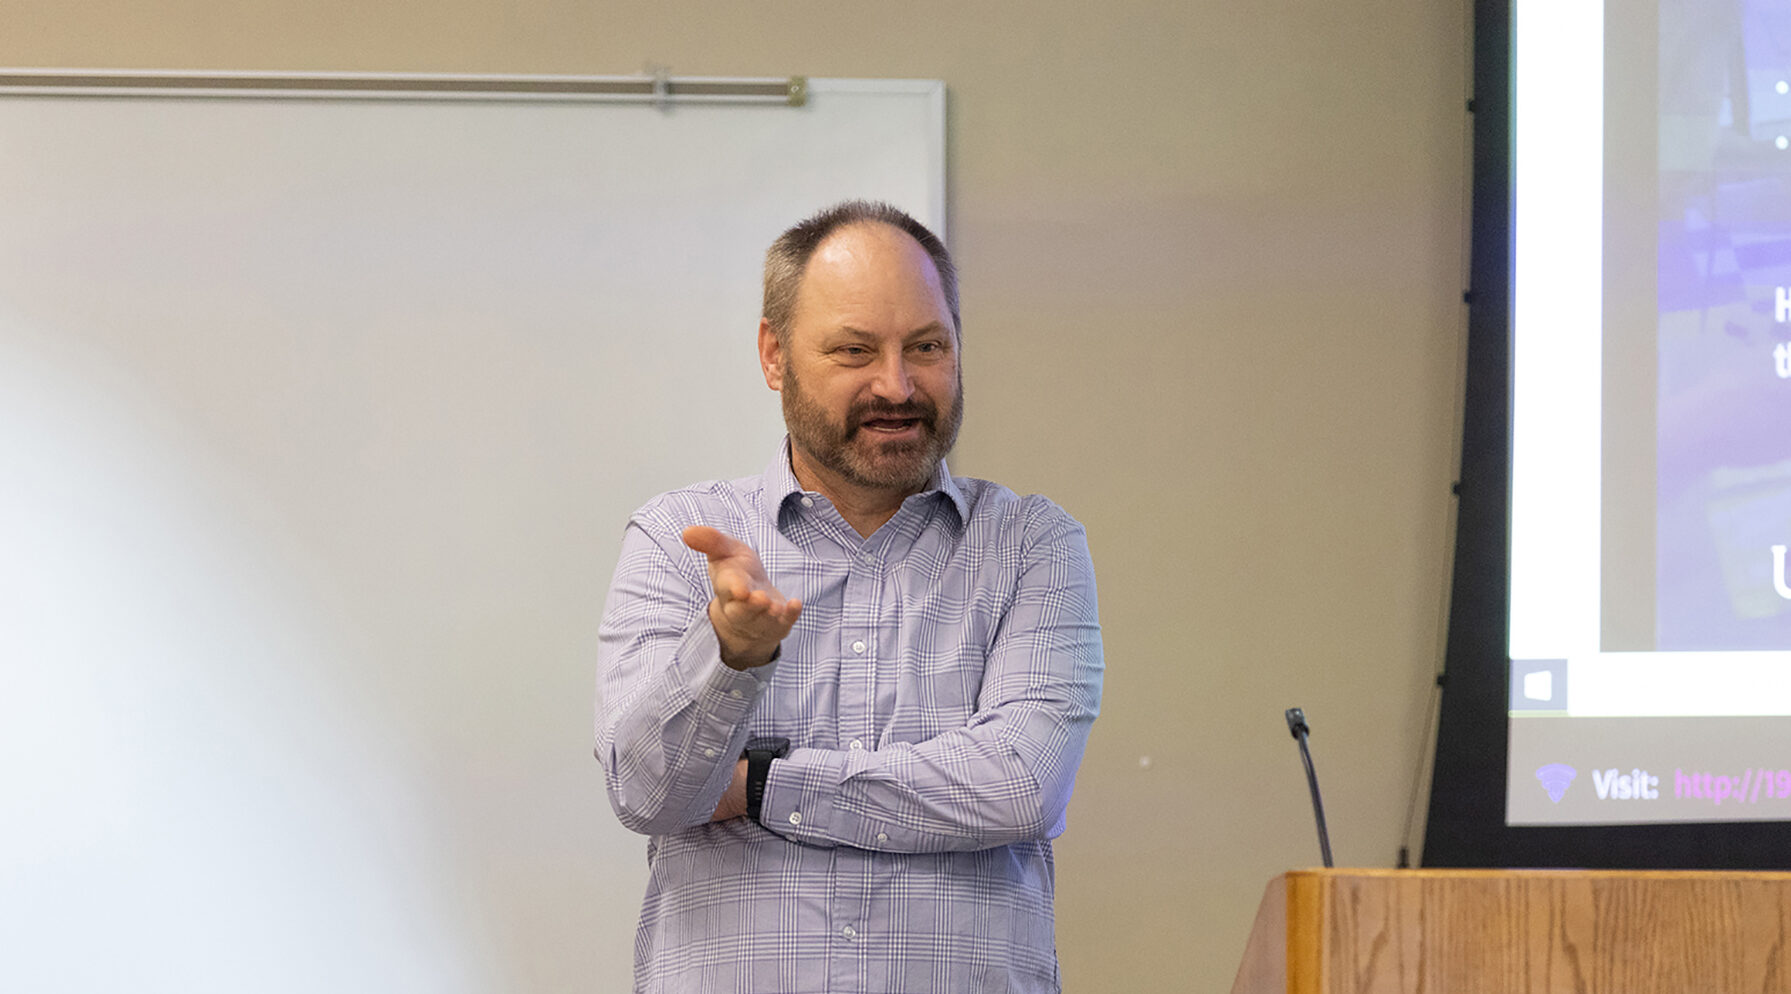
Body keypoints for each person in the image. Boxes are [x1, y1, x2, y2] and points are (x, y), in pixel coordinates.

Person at [594, 200, 1103, 993]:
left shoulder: (1032, 544)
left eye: (926, 347)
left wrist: (757, 784)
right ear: (774, 356)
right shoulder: (679, 538)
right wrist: (731, 658)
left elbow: (1016, 787)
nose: (896, 385)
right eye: (854, 350)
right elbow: (647, 792)